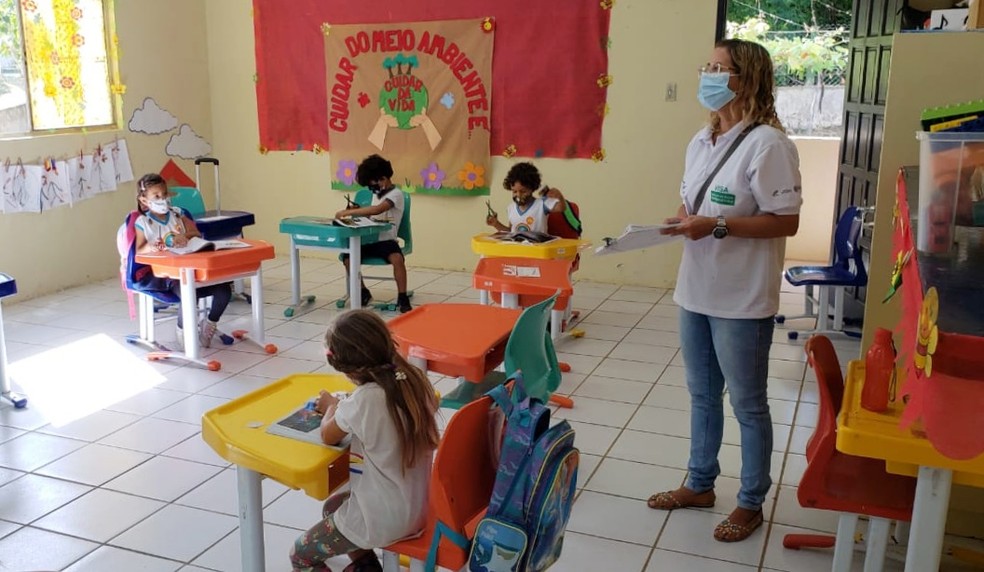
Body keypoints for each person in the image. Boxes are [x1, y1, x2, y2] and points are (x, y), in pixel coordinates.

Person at [648, 39, 802, 543]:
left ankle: (752, 500)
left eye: (720, 68)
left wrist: (715, 226)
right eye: (706, 67)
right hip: (694, 291)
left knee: (749, 403)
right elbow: (690, 203)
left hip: (742, 298)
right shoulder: (702, 140)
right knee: (702, 395)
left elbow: (786, 221)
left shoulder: (768, 145)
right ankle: (699, 483)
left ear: (748, 79)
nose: (709, 76)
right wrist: (677, 223)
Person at [290, 310, 439, 572]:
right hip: (419, 508)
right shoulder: (414, 380)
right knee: (334, 507)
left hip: (383, 519)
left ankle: (363, 563)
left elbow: (328, 434)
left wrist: (332, 407)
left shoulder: (364, 401)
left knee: (300, 554)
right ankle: (367, 567)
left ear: (346, 370)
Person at [131, 173, 232, 349]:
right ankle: (183, 331)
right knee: (188, 293)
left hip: (190, 267)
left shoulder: (177, 213)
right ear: (144, 200)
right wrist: (153, 246)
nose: (162, 199)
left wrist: (183, 236)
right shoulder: (143, 222)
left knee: (224, 289)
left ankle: (209, 324)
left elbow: (196, 234)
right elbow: (139, 250)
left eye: (164, 195)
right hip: (164, 275)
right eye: (156, 196)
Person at [335, 155, 412, 313]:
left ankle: (402, 296)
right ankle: (363, 291)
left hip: (387, 240)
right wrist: (356, 211)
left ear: (383, 179)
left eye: (372, 185)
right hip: (370, 240)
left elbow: (378, 210)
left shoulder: (395, 194)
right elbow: (373, 215)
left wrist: (349, 212)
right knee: (348, 257)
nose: (372, 190)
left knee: (397, 258)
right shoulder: (378, 196)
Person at [486, 162, 568, 234]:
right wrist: (496, 224)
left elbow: (561, 208)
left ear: (532, 189)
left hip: (537, 250)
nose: (518, 195)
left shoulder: (541, 204)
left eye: (523, 191)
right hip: (518, 250)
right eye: (514, 191)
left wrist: (559, 196)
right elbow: (512, 232)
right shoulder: (511, 208)